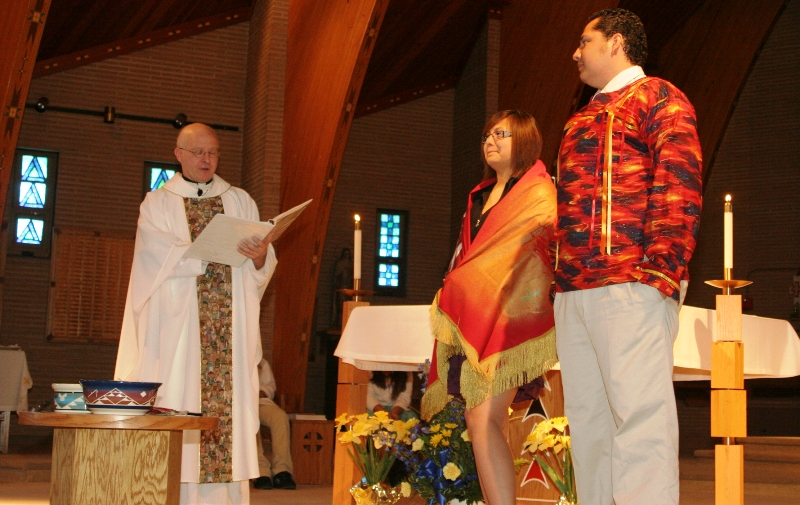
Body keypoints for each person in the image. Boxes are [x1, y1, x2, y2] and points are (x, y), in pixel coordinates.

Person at [554, 9, 702, 505]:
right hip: (576, 292)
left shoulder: (659, 97)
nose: (575, 52)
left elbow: (679, 183)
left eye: (585, 40)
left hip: (632, 285)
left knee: (641, 422)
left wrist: (659, 269)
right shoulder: (581, 118)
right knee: (590, 426)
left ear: (615, 42)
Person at [115, 123, 278, 505]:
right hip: (180, 330)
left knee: (228, 422)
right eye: (199, 152)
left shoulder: (239, 200)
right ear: (179, 154)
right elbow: (152, 260)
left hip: (228, 331)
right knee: (179, 398)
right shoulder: (158, 203)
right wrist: (202, 250)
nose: (207, 160)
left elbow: (261, 268)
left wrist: (259, 259)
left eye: (214, 153)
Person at [422, 110, 558, 505]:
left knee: (483, 421)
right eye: (487, 135)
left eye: (502, 134)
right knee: (478, 421)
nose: (491, 141)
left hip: (510, 320)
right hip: (479, 317)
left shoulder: (537, 191)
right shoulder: (479, 195)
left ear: (525, 140)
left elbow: (537, 258)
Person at [252, 359, 296, 490]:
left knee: (280, 417)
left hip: (262, 403)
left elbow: (270, 386)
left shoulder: (261, 362)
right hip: (243, 405)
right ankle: (261, 472)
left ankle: (282, 471)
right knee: (251, 421)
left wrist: (263, 391)